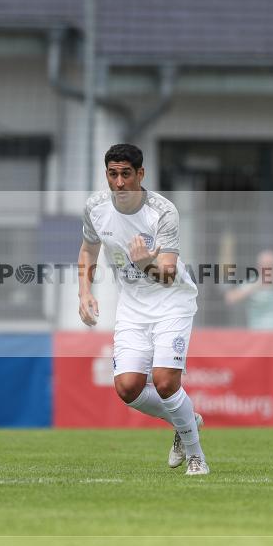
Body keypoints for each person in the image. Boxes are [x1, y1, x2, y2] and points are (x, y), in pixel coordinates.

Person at [78, 143, 208, 475]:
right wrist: (84, 293)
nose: (119, 183)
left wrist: (146, 262)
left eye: (125, 174)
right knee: (127, 388)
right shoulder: (95, 208)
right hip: (132, 307)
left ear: (141, 174)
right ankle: (186, 421)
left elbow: (166, 273)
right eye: (112, 174)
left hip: (172, 303)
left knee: (165, 383)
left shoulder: (163, 212)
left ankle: (196, 457)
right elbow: (88, 250)